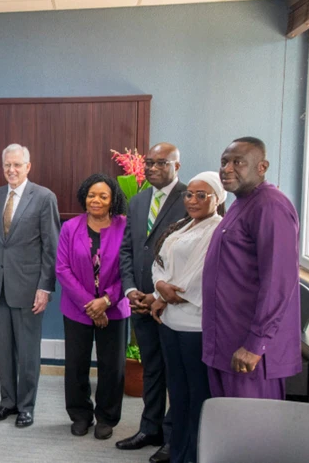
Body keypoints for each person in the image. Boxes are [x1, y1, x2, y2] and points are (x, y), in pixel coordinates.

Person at [202, 137, 301, 399]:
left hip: (250, 352)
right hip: (226, 341)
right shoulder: (241, 202)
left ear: (262, 167)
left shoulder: (270, 206)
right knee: (224, 420)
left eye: (238, 162)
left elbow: (279, 282)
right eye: (224, 162)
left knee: (251, 423)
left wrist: (256, 344)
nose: (227, 169)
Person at [117, 143, 186, 462]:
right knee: (152, 368)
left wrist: (157, 296)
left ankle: (173, 437)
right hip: (140, 301)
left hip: (173, 304)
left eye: (162, 163)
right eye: (149, 162)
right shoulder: (138, 200)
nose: (153, 168)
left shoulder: (191, 197)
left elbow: (193, 258)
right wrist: (131, 289)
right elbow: (129, 249)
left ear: (177, 166)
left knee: (176, 374)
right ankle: (150, 428)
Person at [149, 172, 225, 463]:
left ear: (217, 198)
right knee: (178, 393)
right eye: (189, 194)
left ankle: (194, 455)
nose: (192, 200)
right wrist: (159, 286)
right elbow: (160, 261)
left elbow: (201, 274)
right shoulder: (184, 225)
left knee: (197, 394)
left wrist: (168, 294)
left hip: (196, 326)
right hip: (170, 322)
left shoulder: (218, 229)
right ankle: (178, 451)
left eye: (201, 195)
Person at [0, 143, 60, 429]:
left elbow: (51, 247)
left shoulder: (44, 197)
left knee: (28, 352)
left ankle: (26, 406)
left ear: (28, 167)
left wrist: (45, 288)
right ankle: (8, 402)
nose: (11, 170)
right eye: (7, 165)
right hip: (0, 287)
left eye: (17, 165)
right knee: (4, 351)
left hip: (30, 289)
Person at [56, 173, 130, 440]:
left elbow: (129, 268)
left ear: (113, 200)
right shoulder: (70, 227)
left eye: (103, 196)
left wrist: (106, 301)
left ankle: (106, 418)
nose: (95, 200)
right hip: (78, 309)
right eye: (91, 195)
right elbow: (62, 269)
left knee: (113, 366)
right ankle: (80, 415)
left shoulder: (124, 226)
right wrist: (91, 305)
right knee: (76, 364)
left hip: (115, 308)